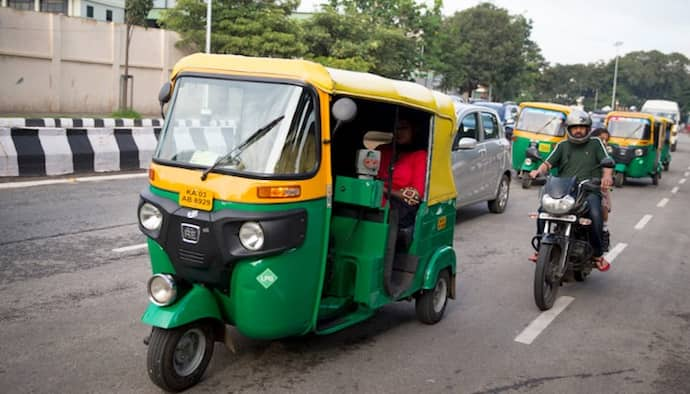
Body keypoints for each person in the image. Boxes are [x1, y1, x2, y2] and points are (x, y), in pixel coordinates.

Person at [528, 110, 614, 271]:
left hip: (588, 190)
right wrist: (537, 172)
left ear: (588, 129)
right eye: (575, 127)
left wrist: (606, 177)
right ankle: (540, 249)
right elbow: (547, 163)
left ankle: (597, 254)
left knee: (595, 215)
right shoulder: (562, 145)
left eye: (582, 127)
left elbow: (606, 162)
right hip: (564, 190)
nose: (578, 130)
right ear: (569, 129)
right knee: (542, 211)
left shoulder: (596, 143)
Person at [377, 117, 427, 227]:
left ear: (413, 130)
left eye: (404, 128)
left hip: (399, 209)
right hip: (374, 201)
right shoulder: (382, 150)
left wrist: (384, 190)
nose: (399, 132)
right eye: (396, 128)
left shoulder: (419, 155)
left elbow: (415, 195)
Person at [592, 127, 612, 251]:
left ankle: (604, 230)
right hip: (577, 184)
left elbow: (608, 169)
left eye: (606, 140)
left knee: (603, 206)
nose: (604, 142)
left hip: (597, 186)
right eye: (601, 139)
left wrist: (607, 178)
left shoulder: (605, 156)